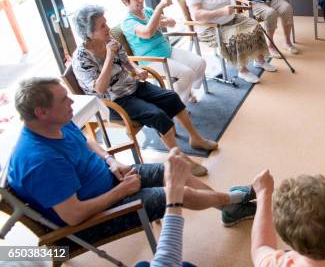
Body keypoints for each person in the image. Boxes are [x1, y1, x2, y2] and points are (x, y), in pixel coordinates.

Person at [7, 78, 257, 247]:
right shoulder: (39, 161)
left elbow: (84, 141)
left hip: (112, 179)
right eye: (64, 99)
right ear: (41, 112)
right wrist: (121, 191)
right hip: (94, 219)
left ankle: (228, 207)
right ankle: (232, 202)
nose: (72, 101)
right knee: (177, 192)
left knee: (174, 171)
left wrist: (111, 161)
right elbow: (74, 216)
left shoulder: (56, 123)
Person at [71, 5, 215, 176]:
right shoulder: (81, 57)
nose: (108, 28)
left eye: (106, 23)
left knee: (171, 97)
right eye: (102, 26)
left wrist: (136, 69)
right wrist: (109, 56)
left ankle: (195, 139)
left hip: (132, 86)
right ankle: (179, 159)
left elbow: (125, 60)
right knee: (156, 115)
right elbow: (100, 88)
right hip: (112, 101)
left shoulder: (109, 41)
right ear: (89, 33)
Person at [186, 0, 276, 84]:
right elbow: (196, 15)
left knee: (254, 25)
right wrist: (221, 12)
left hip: (229, 18)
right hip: (210, 27)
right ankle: (243, 70)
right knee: (237, 35)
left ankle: (259, 60)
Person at [119, 0, 206, 105]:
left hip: (167, 50)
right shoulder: (127, 22)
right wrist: (159, 8)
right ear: (126, 1)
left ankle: (184, 91)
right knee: (187, 73)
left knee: (200, 63)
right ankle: (176, 104)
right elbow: (146, 32)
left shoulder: (148, 11)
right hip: (152, 59)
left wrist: (166, 21)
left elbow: (172, 22)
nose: (141, 0)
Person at [135, 148, 196, 267]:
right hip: (109, 199)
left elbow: (90, 143)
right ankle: (233, 202)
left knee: (142, 265)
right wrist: (174, 196)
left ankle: (230, 202)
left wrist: (110, 160)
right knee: (185, 192)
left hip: (116, 176)